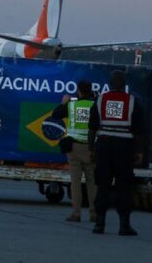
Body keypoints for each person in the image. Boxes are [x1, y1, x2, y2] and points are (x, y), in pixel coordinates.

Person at [88, 70, 143, 236]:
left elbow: (92, 128)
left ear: (110, 84)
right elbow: (139, 130)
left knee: (102, 185)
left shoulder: (100, 100)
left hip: (104, 146)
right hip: (124, 148)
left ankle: (100, 224)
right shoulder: (132, 101)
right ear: (124, 84)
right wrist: (139, 151)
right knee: (124, 187)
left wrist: (91, 148)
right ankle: (124, 225)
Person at [52, 80, 98, 223]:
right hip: (91, 148)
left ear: (78, 91)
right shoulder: (95, 106)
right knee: (92, 182)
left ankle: (76, 213)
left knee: (75, 182)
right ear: (90, 91)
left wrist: (64, 102)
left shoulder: (71, 105)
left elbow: (56, 115)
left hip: (74, 148)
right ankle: (94, 213)